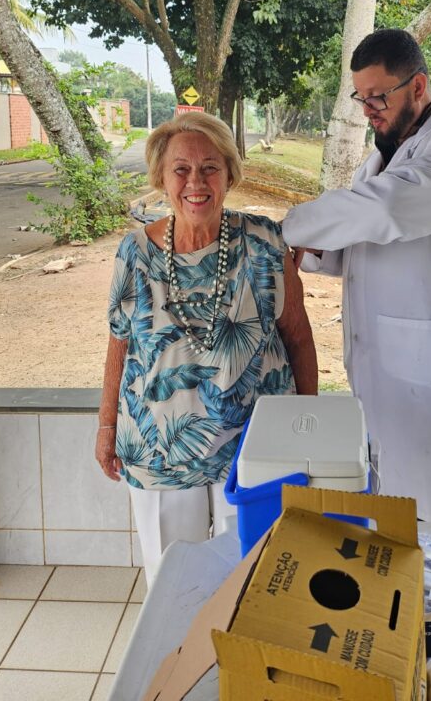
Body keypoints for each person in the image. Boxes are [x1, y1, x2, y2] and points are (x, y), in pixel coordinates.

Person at [282, 29, 431, 553]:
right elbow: (362, 241)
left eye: (379, 97)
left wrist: (290, 229)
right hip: (392, 373)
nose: (368, 110)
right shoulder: (386, 154)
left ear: (419, 86)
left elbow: (386, 212)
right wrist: (312, 252)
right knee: (405, 517)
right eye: (362, 98)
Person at [96, 111, 318, 582]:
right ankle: (178, 657)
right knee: (172, 580)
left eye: (210, 167)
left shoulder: (264, 242)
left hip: (255, 444)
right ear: (161, 177)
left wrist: (308, 427)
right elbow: (120, 344)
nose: (195, 182)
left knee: (258, 578)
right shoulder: (134, 253)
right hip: (160, 446)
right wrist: (106, 426)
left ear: (229, 174)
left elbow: (298, 337)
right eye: (181, 169)